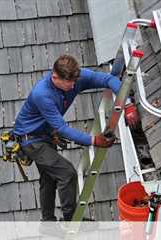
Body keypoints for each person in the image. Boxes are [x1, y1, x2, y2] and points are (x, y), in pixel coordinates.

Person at [13, 55, 139, 221]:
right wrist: (94, 140)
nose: (74, 86)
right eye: (69, 83)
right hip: (31, 140)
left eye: (75, 81)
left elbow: (109, 79)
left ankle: (48, 223)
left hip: (46, 134)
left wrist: (128, 104)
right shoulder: (42, 94)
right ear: (55, 76)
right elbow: (62, 128)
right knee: (67, 173)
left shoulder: (76, 78)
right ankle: (70, 220)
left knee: (49, 178)